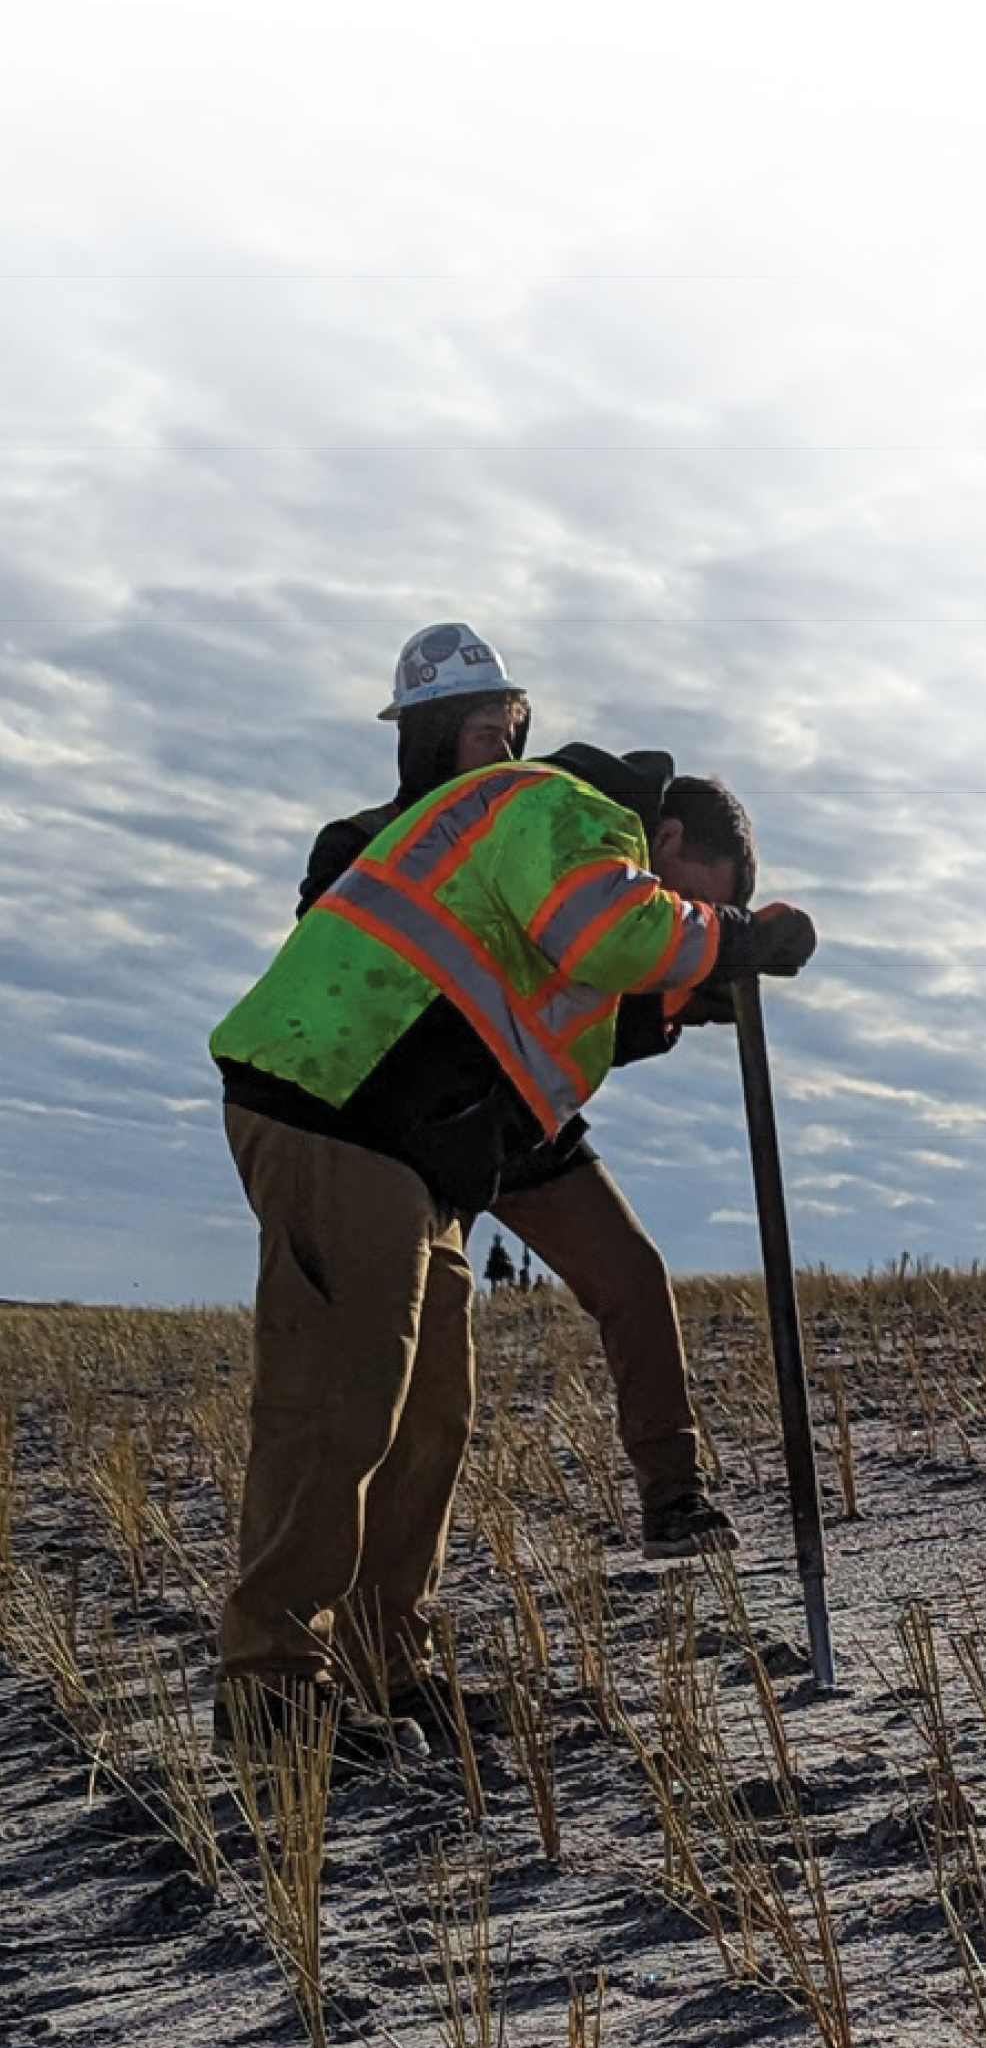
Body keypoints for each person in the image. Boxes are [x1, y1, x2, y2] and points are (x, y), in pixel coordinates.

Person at [210, 710, 817, 1760]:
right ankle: (269, 1687)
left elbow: (597, 984)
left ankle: (383, 1669)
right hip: (337, 1095)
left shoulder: (565, 843)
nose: (690, 915)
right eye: (694, 896)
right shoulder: (571, 811)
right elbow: (604, 929)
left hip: (418, 1142)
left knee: (432, 1412)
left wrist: (714, 972)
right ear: (667, 845)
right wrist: (725, 937)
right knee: (343, 1400)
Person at [298, 625, 742, 1564]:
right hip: (403, 1131)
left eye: (511, 723)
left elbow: (568, 1002)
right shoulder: (357, 845)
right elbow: (354, 989)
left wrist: (666, 999)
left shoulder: (535, 826)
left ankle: (675, 1497)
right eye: (483, 726)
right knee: (411, 1371)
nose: (503, 743)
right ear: (427, 734)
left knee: (631, 1272)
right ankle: (350, 1624)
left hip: (518, 1123)